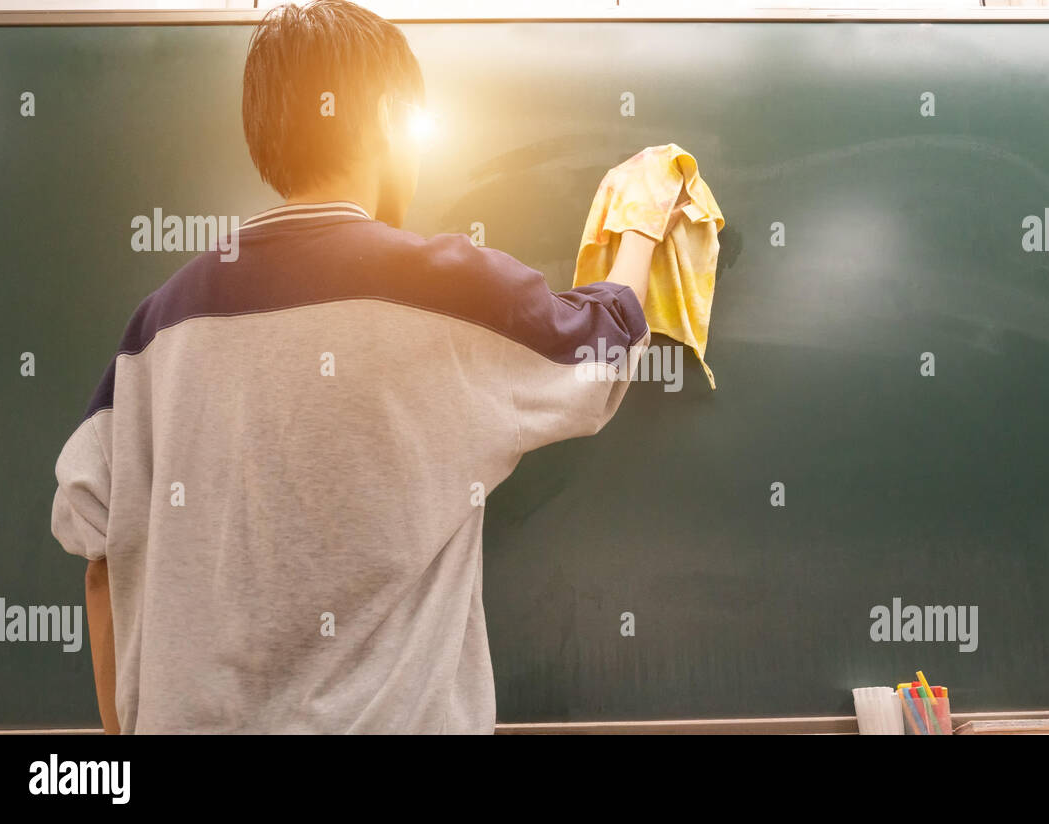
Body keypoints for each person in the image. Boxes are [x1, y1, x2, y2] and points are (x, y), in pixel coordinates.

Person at [51, 0, 683, 734]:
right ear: (390, 117)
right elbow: (600, 349)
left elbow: (97, 555)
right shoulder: (445, 286)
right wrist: (639, 223)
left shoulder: (157, 326)